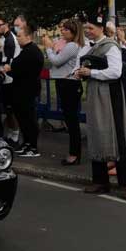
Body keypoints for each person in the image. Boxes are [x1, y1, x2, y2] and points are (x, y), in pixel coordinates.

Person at [74, 15, 126, 199]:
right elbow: (82, 64)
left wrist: (91, 72)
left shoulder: (110, 47)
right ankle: (100, 181)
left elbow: (115, 72)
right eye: (86, 28)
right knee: (96, 134)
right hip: (96, 93)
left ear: (101, 28)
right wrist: (79, 72)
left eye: (91, 28)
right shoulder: (90, 46)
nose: (87, 31)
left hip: (111, 95)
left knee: (116, 137)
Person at [43, 19, 85, 165]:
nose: (63, 31)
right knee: (69, 118)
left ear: (74, 32)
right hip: (64, 82)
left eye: (66, 29)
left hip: (70, 84)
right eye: (63, 29)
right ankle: (74, 152)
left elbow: (56, 61)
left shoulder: (73, 45)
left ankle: (75, 154)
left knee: (72, 120)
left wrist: (48, 48)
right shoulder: (67, 44)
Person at [3, 23, 44, 157]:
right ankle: (26, 143)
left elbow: (20, 70)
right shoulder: (27, 50)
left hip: (27, 90)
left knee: (28, 119)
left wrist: (10, 70)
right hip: (22, 90)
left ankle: (32, 147)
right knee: (23, 119)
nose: (18, 39)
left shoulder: (31, 51)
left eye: (19, 36)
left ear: (28, 36)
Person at [0, 17, 21, 145]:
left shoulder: (11, 39)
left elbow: (10, 59)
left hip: (9, 77)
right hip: (3, 75)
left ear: (6, 25)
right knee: (6, 108)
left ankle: (15, 135)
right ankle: (10, 133)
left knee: (11, 109)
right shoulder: (2, 37)